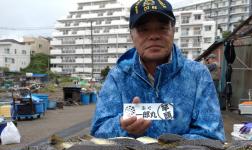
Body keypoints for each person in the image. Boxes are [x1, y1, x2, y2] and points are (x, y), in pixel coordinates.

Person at [90, 0, 225, 141]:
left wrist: (168, 146)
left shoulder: (198, 74)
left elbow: (212, 136)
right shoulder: (118, 76)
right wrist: (122, 125)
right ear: (132, 35)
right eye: (144, 29)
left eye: (162, 28)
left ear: (173, 30)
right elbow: (98, 131)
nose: (154, 36)